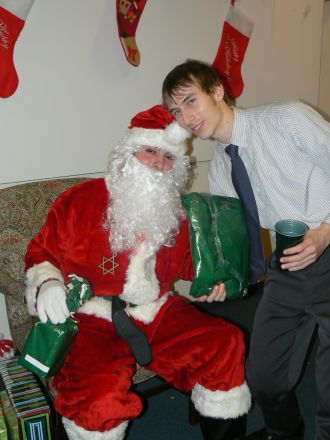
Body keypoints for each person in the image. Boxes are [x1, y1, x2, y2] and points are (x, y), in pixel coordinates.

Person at [24, 104, 251, 440]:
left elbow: (191, 263)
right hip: (90, 317)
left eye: (168, 158)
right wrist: (48, 283)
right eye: (150, 151)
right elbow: (41, 253)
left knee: (224, 344)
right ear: (128, 152)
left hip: (156, 311)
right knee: (97, 396)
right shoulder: (80, 200)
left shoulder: (176, 210)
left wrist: (213, 283)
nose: (159, 164)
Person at [162, 59, 330, 440]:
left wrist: (326, 231)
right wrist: (224, 280)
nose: (186, 117)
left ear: (217, 91)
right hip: (287, 265)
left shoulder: (287, 119)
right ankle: (286, 431)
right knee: (264, 375)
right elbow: (234, 234)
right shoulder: (222, 164)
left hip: (328, 244)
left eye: (191, 101)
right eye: (176, 110)